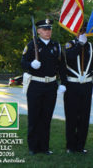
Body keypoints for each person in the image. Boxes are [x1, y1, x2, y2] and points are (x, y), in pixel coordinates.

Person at [21, 18, 67, 155]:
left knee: (46, 118)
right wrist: (30, 65)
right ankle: (33, 147)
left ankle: (44, 147)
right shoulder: (31, 45)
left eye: (50, 29)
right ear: (39, 31)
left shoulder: (56, 46)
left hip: (51, 86)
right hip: (35, 85)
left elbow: (62, 67)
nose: (48, 31)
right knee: (34, 117)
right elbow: (23, 62)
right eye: (45, 29)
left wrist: (63, 83)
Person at [63, 22, 93, 154]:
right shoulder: (70, 45)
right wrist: (80, 44)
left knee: (84, 118)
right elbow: (70, 57)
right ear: (75, 32)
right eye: (80, 31)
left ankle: (80, 145)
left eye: (84, 31)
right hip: (72, 85)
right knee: (72, 117)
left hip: (87, 86)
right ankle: (70, 146)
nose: (82, 33)